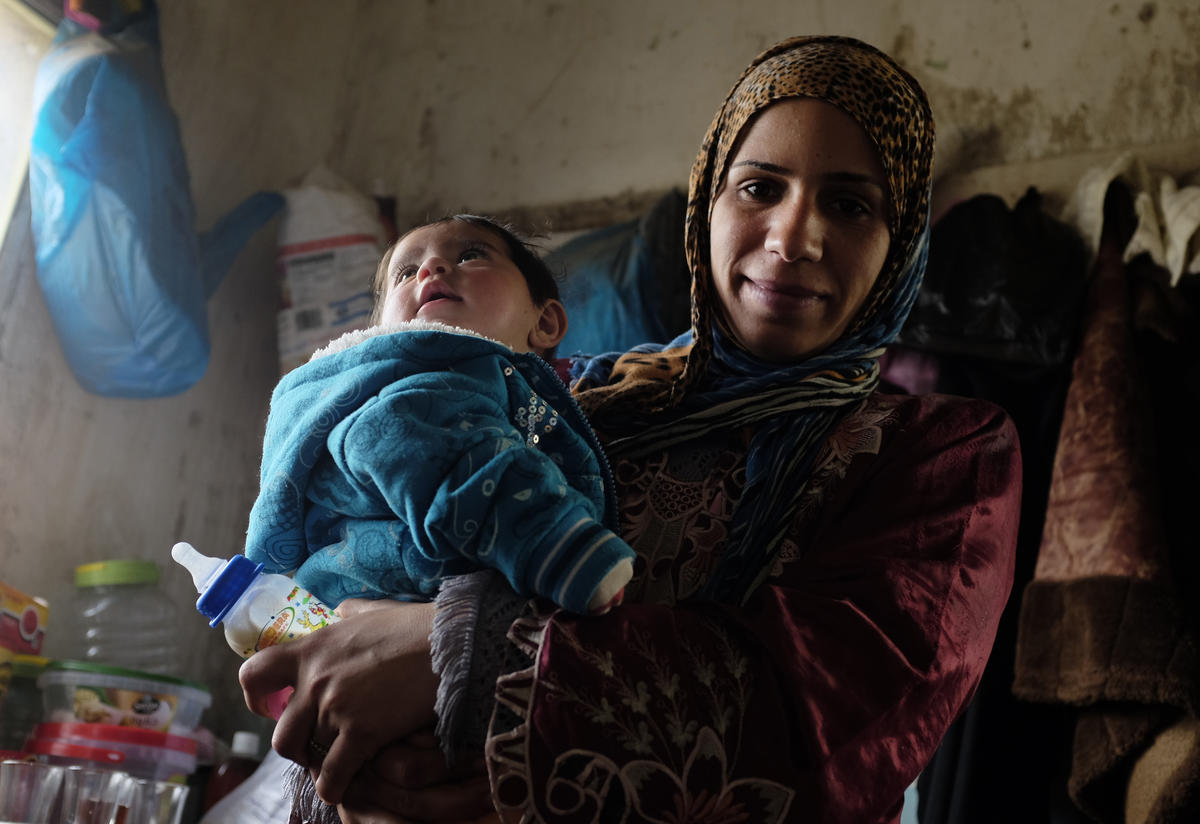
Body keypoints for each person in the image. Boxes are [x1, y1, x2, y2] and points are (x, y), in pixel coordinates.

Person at [240, 35, 1022, 824]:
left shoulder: (943, 457)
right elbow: (358, 565)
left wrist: (464, 650)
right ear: (705, 205)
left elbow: (827, 719)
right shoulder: (569, 396)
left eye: (850, 204)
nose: (792, 240)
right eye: (757, 188)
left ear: (902, 243)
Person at [243, 213, 635, 616]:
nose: (431, 269)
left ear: (546, 321)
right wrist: (560, 549)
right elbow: (442, 455)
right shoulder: (420, 386)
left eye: (470, 255)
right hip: (397, 605)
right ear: (386, 330)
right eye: (407, 272)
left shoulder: (559, 381)